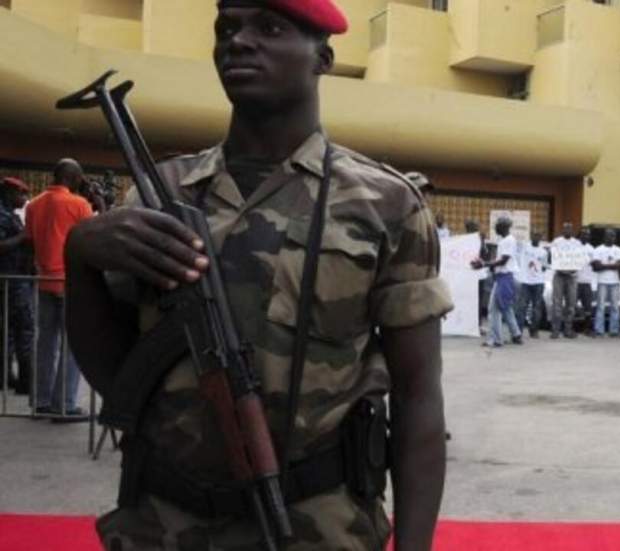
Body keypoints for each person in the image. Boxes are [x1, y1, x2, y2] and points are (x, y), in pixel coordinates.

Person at [65, 2, 453, 548]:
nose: (239, 42)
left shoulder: (385, 204)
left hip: (319, 528)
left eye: (270, 28)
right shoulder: (162, 194)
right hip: (162, 523)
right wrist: (79, 259)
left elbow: (418, 398)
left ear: (324, 58)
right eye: (227, 29)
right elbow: (115, 376)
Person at [25, 159, 93, 419]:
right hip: (70, 282)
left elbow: (30, 242)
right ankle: (63, 404)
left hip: (44, 281)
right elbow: (92, 238)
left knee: (45, 342)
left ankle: (41, 401)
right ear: (73, 177)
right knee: (71, 345)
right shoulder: (79, 204)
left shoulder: (34, 204)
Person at [0, 177, 34, 395]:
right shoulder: (2, 216)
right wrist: (23, 236)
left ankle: (5, 378)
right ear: (11, 193)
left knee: (8, 331)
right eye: (22, 194)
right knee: (24, 328)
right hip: (12, 279)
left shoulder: (7, 214)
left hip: (11, 278)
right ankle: (25, 382)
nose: (24, 199)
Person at [474, 217, 522, 347]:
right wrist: (489, 265)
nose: (495, 228)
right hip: (502, 277)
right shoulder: (503, 241)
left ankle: (496, 339)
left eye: (497, 226)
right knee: (505, 307)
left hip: (506, 277)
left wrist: (484, 264)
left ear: (504, 227)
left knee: (493, 309)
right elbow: (498, 261)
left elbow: (503, 261)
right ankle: (516, 334)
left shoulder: (509, 240)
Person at [549, 223, 581, 339]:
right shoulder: (556, 242)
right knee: (556, 303)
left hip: (572, 276)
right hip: (559, 275)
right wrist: (560, 267)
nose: (567, 230)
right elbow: (552, 257)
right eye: (565, 228)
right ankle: (555, 330)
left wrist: (572, 268)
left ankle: (568, 330)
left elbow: (579, 258)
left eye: (569, 228)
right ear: (562, 230)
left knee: (571, 304)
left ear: (572, 230)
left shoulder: (577, 243)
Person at [591, 229, 620, 337]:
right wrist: (611, 266)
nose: (611, 238)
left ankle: (614, 330)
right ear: (604, 237)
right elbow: (596, 266)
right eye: (609, 236)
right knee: (600, 306)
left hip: (615, 281)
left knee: (615, 306)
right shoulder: (598, 249)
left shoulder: (618, 250)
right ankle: (599, 330)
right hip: (602, 282)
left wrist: (603, 265)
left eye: (613, 236)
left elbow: (619, 266)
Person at [517, 230, 548, 338]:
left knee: (537, 308)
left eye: (538, 235)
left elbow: (544, 267)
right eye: (534, 235)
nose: (536, 237)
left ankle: (534, 330)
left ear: (541, 237)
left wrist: (539, 267)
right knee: (522, 307)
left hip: (538, 282)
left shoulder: (544, 252)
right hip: (525, 281)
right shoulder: (524, 247)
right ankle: (518, 331)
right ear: (531, 236)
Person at [576, 227, 596, 333]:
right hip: (575, 281)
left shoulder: (591, 249)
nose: (586, 236)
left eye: (588, 235)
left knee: (588, 308)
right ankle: (569, 328)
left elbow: (595, 265)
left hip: (587, 282)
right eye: (584, 234)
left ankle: (587, 328)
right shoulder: (574, 247)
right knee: (571, 306)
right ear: (579, 235)